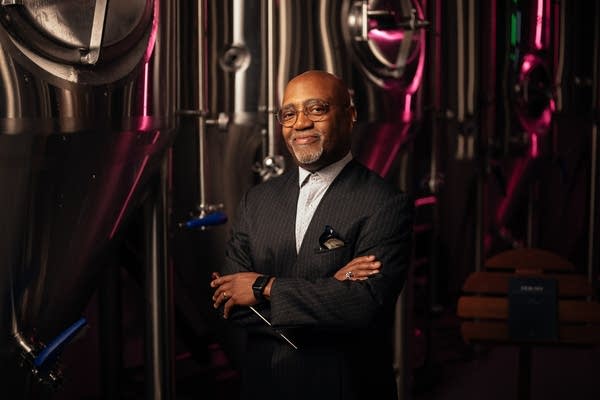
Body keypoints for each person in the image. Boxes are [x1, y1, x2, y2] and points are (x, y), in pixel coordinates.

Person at [210, 70, 412, 400]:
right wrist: (332, 288)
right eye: (289, 113)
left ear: (350, 115)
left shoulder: (384, 202)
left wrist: (264, 287)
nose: (300, 123)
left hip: (345, 388)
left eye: (316, 109)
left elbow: (363, 305)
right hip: (266, 387)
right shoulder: (258, 200)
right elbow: (229, 301)